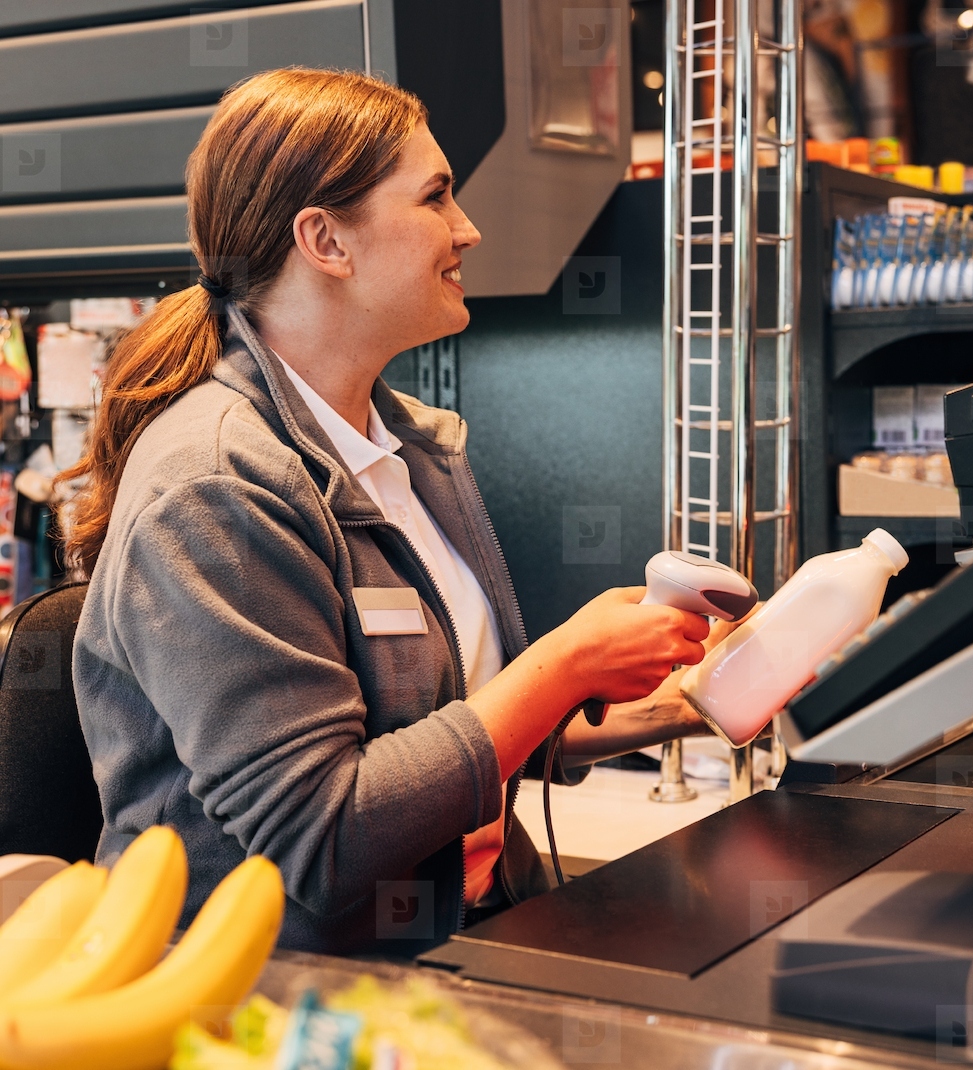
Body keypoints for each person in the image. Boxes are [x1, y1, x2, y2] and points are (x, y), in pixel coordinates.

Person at [65, 68, 729, 956]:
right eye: (436, 197)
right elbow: (325, 837)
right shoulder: (217, 487)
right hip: (295, 1002)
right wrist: (567, 664)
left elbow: (444, 736)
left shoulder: (406, 450)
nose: (468, 229)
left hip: (465, 934)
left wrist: (687, 701)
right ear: (326, 241)